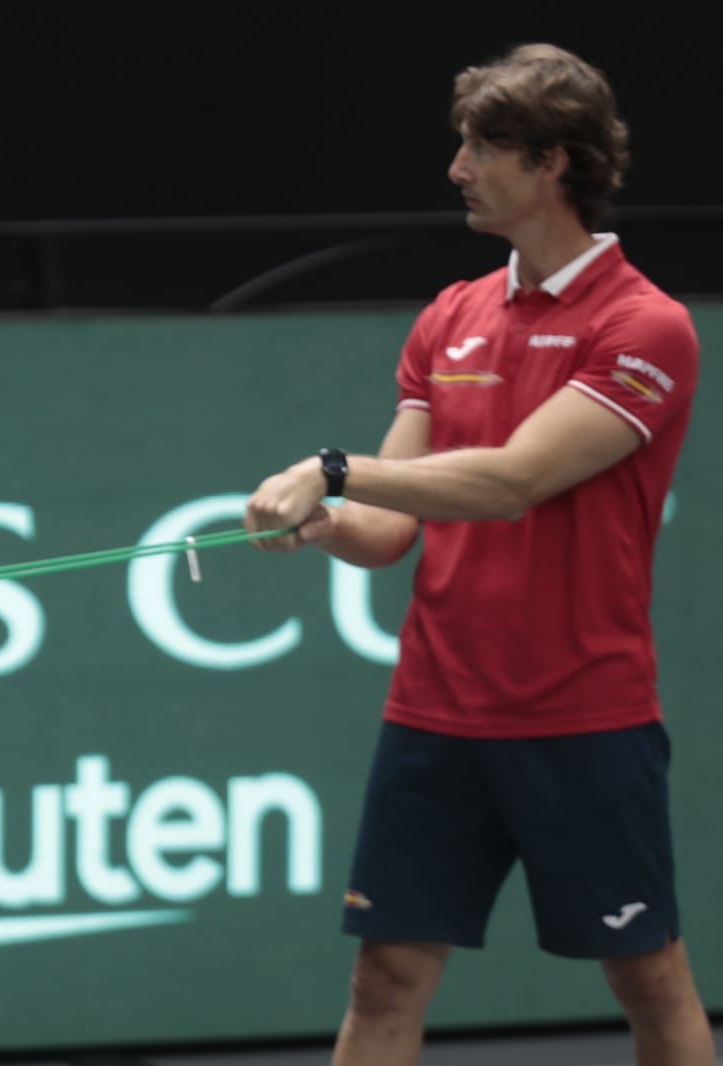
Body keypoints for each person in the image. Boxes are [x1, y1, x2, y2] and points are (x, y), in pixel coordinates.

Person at [244, 44, 712, 1066]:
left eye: (483, 146)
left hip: (583, 715)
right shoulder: (450, 315)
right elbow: (388, 531)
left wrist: (332, 469)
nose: (458, 166)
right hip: (436, 712)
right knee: (384, 981)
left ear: (553, 163)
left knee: (650, 981)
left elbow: (508, 483)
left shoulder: (647, 327)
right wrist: (319, 521)